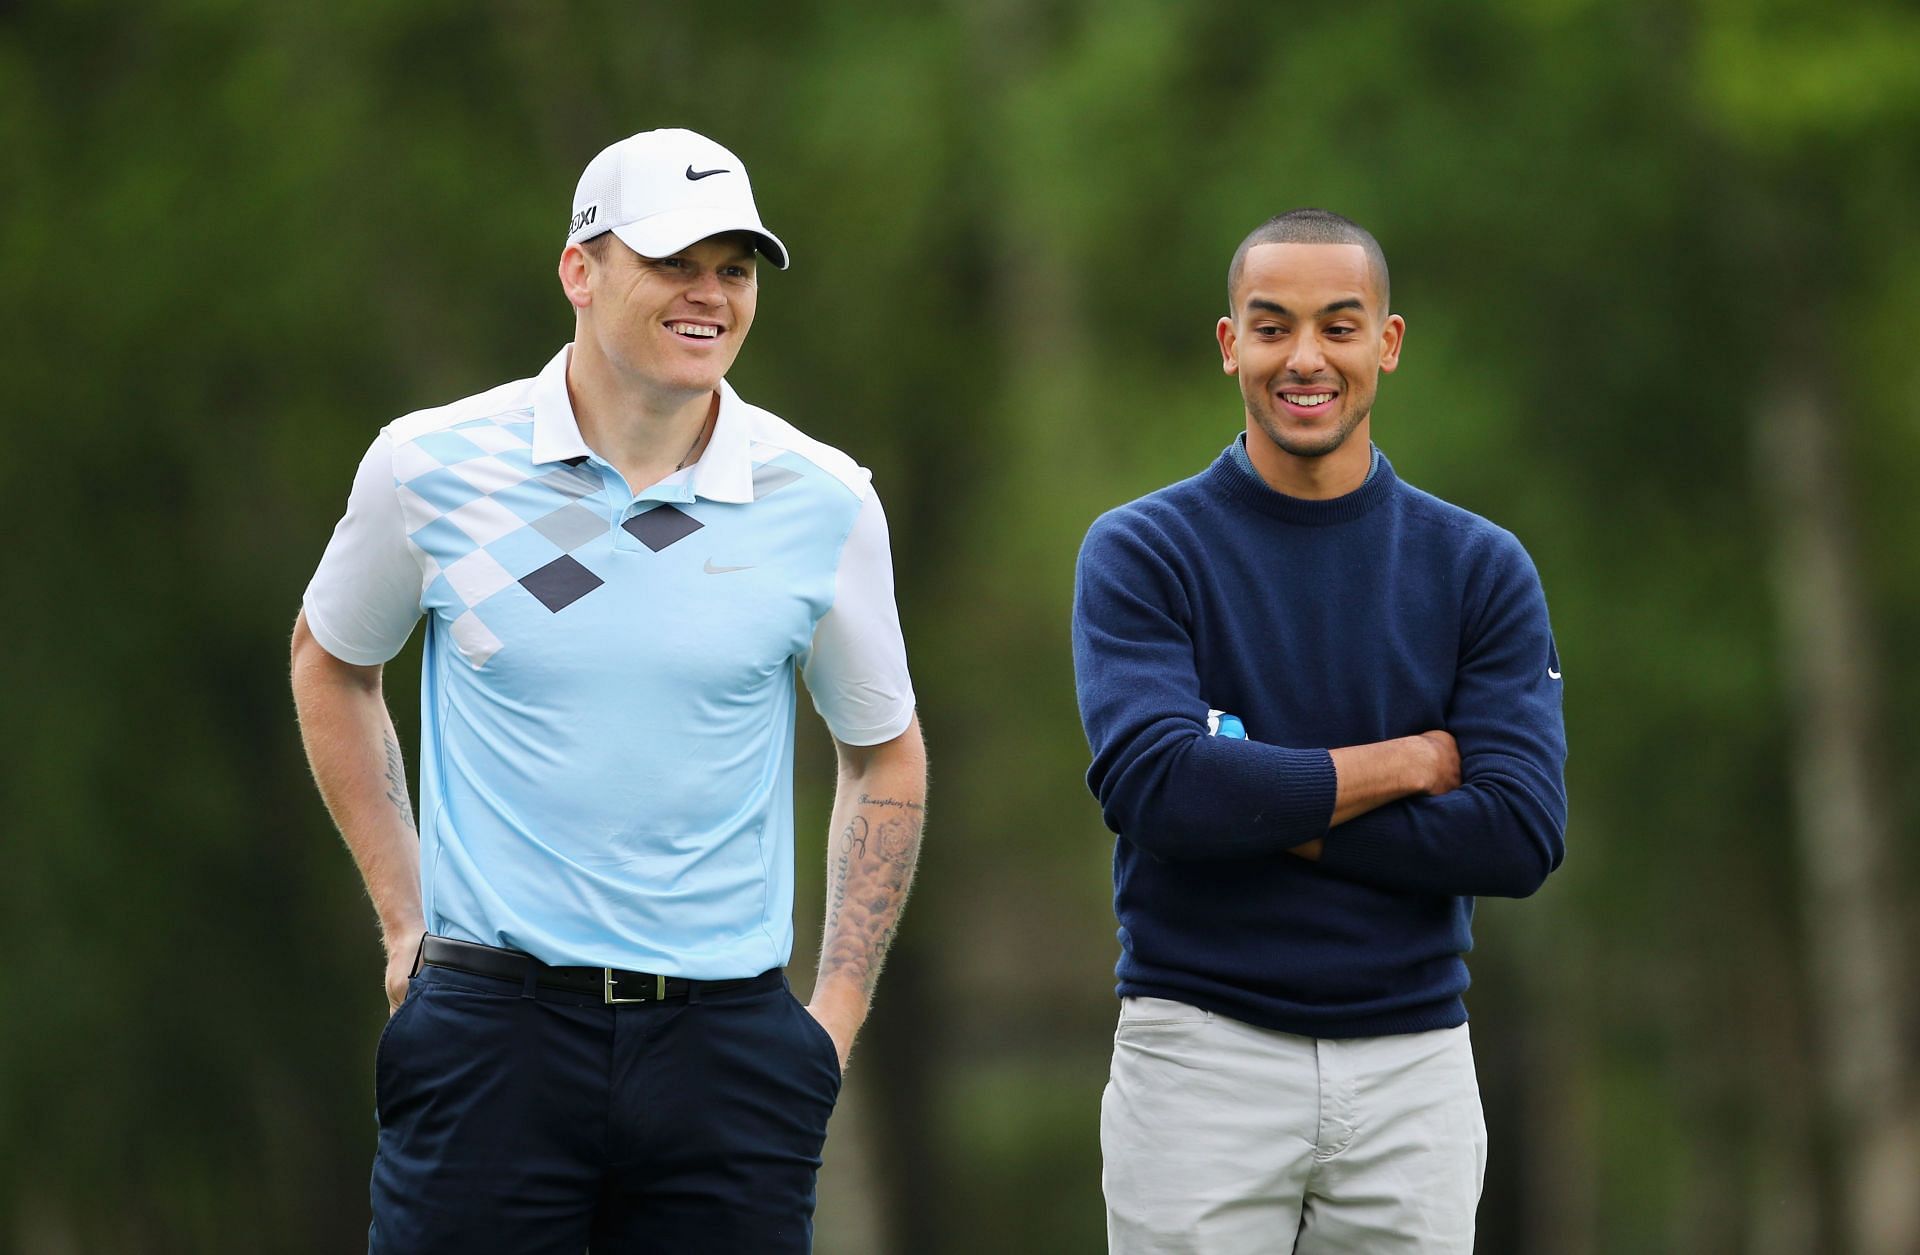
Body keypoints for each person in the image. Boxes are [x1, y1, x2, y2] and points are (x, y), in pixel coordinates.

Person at [290, 127, 926, 1253]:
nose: (710, 295)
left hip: (730, 1055)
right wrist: (405, 920)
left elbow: (885, 750)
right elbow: (332, 660)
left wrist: (829, 1019)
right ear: (580, 271)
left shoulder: (821, 497)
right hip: (492, 1032)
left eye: (733, 268)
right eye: (675, 262)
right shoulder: (430, 465)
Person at [1071, 208, 1567, 1253]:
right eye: (1272, 326)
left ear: (1386, 344)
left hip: (1412, 1065)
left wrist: (1261, 802)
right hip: (1200, 1054)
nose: (1306, 358)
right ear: (1228, 345)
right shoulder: (1144, 551)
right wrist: (1410, 762)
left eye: (1339, 327)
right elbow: (1157, 790)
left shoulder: (1479, 568)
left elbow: (1517, 835)